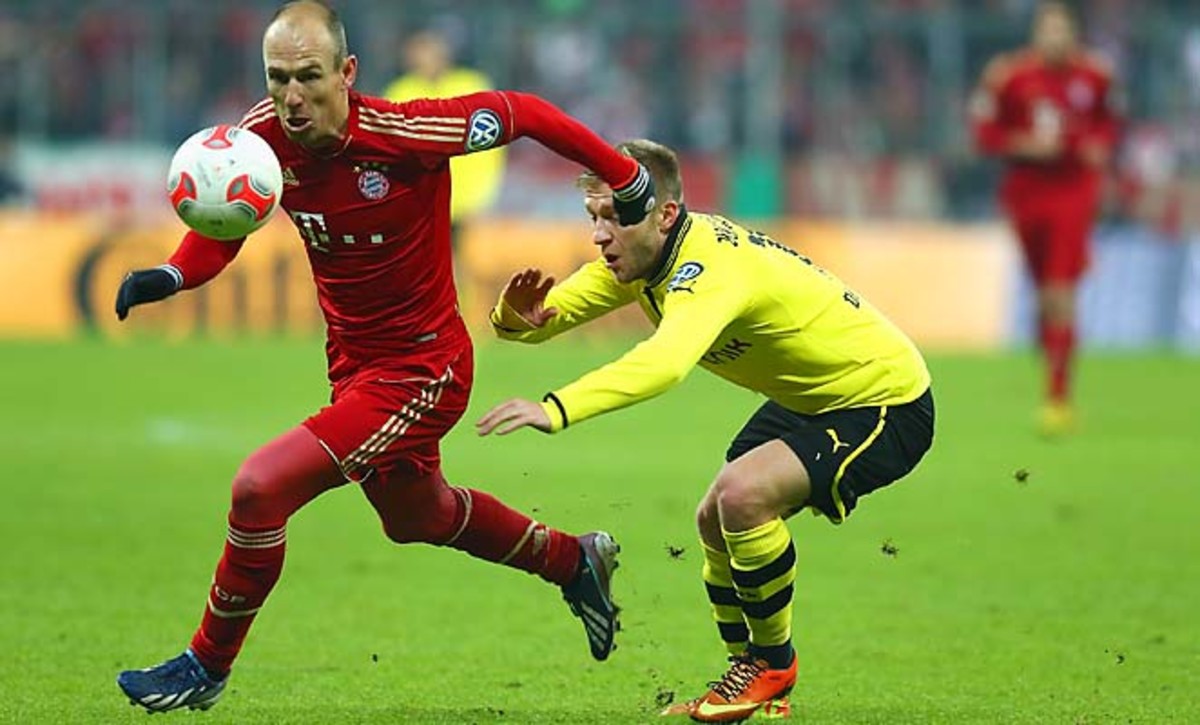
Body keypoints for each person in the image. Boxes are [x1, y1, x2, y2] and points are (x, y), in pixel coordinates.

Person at [113, 0, 656, 713]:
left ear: (348, 72)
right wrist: (174, 274)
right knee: (416, 515)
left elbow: (520, 111)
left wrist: (622, 173)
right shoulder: (260, 139)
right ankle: (572, 558)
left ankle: (205, 663)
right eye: (277, 77)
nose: (291, 95)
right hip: (354, 366)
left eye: (309, 76)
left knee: (258, 488)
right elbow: (226, 222)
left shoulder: (408, 131)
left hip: (426, 368)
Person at [476, 139, 935, 723]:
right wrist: (512, 317)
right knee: (713, 515)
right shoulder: (643, 257)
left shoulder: (709, 267)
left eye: (613, 217)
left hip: (883, 399)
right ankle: (749, 674)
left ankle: (772, 665)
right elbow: (545, 317)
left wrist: (557, 408)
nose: (599, 235)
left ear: (665, 213)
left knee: (744, 497)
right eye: (594, 217)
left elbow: (665, 363)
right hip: (812, 397)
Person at [970, 1, 1120, 436]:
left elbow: (1110, 124)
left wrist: (1098, 145)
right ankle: (1052, 350)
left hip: (1074, 190)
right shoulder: (1009, 76)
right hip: (1026, 192)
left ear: (1074, 33)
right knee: (1043, 290)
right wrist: (1023, 143)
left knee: (1059, 289)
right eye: (1047, 29)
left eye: (1062, 29)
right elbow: (984, 133)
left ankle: (1058, 396)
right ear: (1036, 33)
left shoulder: (1096, 75)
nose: (1055, 37)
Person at [383, 29, 506, 254]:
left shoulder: (472, 86)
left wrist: (486, 191)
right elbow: (389, 148)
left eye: (429, 50)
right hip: (419, 199)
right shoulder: (400, 92)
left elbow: (494, 143)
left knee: (465, 261)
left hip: (466, 198)